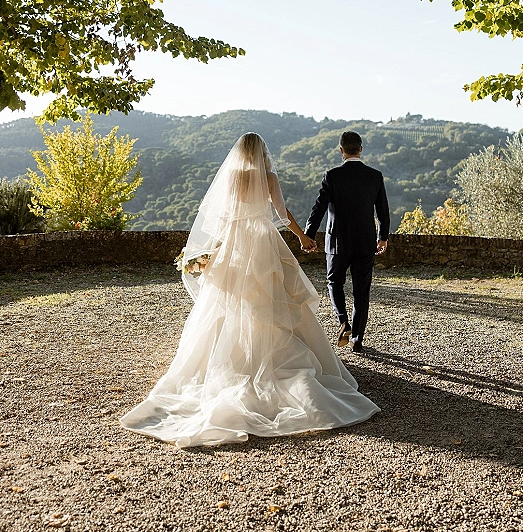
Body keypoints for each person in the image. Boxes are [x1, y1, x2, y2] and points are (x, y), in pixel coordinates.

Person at [120, 133, 379, 447]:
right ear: (262, 154)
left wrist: (210, 252)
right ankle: (271, 359)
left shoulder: (230, 176)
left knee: (233, 303)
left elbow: (220, 217)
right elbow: (282, 215)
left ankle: (235, 358)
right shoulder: (268, 176)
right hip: (262, 240)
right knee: (272, 300)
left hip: (234, 244)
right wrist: (301, 237)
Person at [305, 131, 390, 354]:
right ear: (360, 149)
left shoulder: (332, 176)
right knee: (362, 292)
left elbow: (319, 208)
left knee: (334, 282)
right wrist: (382, 237)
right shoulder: (375, 176)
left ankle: (343, 321)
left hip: (337, 242)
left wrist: (309, 235)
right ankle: (358, 340)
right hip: (365, 241)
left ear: (341, 150)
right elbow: (383, 212)